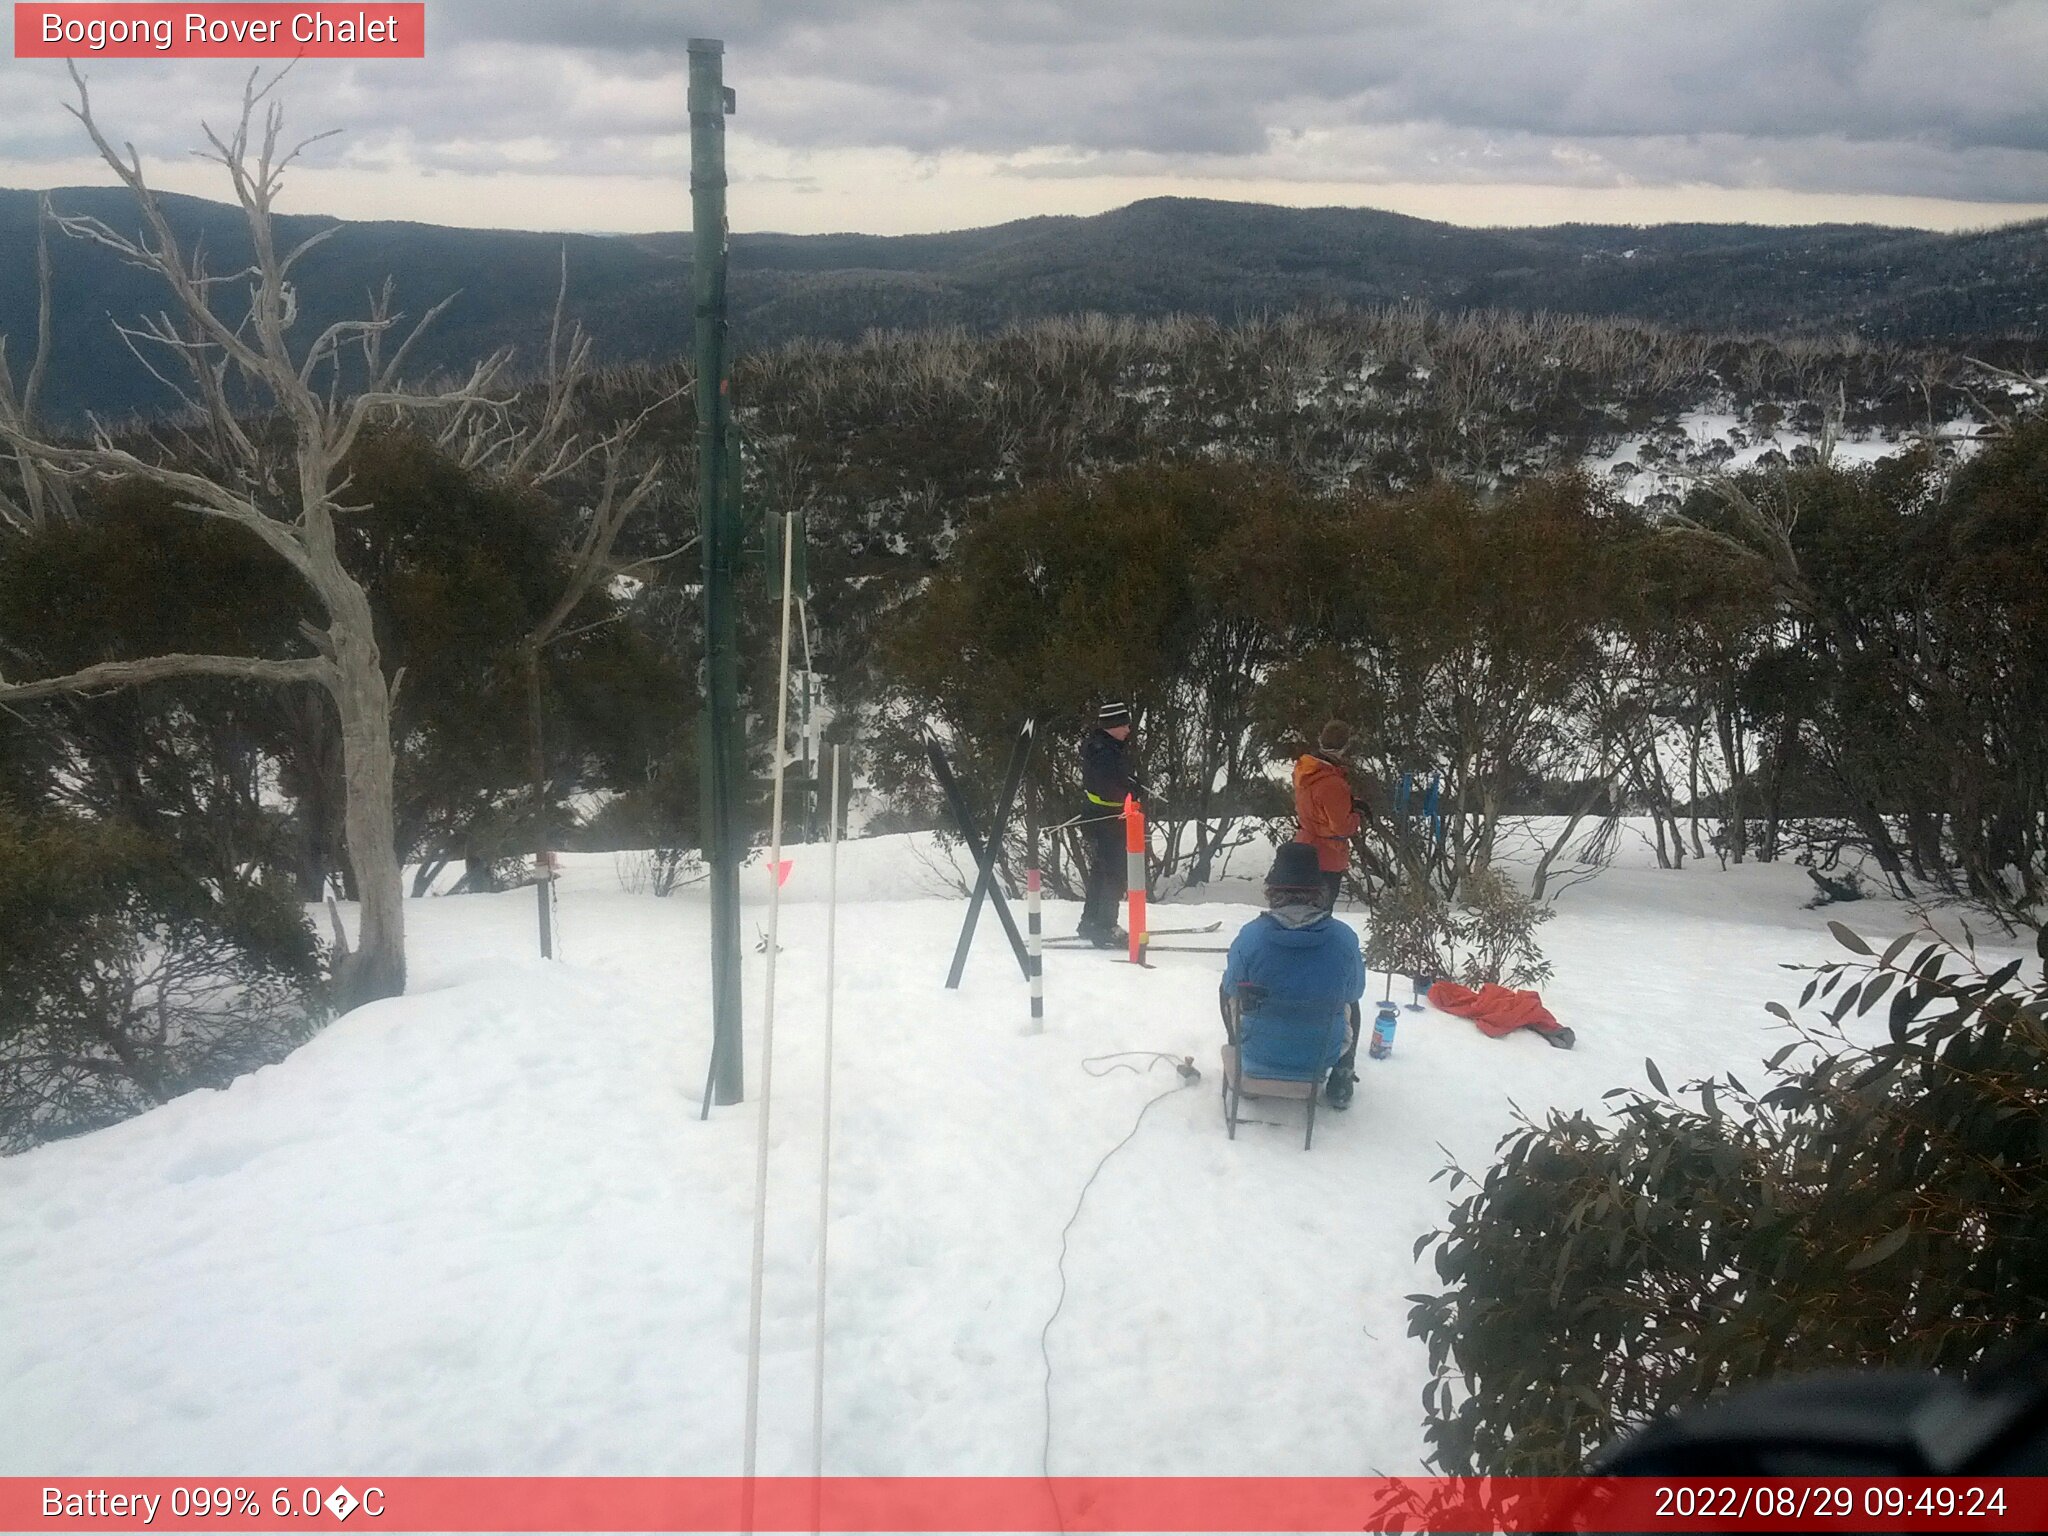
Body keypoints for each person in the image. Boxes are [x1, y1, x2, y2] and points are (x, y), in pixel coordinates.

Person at [1220, 842, 1366, 1109]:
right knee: (1350, 1002)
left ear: (1274, 891)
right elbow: (1355, 991)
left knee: (1227, 986)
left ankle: (1241, 1059)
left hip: (1259, 1049)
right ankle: (1341, 1076)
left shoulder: (1251, 936)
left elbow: (1232, 987)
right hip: (1322, 1054)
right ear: (1319, 893)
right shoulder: (1343, 938)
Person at [1076, 701, 1143, 947]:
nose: (1128, 729)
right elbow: (1108, 786)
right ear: (1113, 725)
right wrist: (1130, 792)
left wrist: (1131, 783)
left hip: (1102, 817)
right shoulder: (1104, 752)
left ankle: (1090, 921)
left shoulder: (1105, 747)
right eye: (1124, 723)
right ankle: (1105, 926)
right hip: (1106, 818)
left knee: (1101, 871)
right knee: (1112, 873)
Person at [1294, 719, 1362, 910]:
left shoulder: (1305, 771)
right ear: (1346, 746)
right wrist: (1356, 815)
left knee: (1302, 912)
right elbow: (1340, 826)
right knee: (1320, 914)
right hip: (1327, 854)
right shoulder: (1332, 782)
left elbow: (1317, 807)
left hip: (1302, 847)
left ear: (1320, 740)